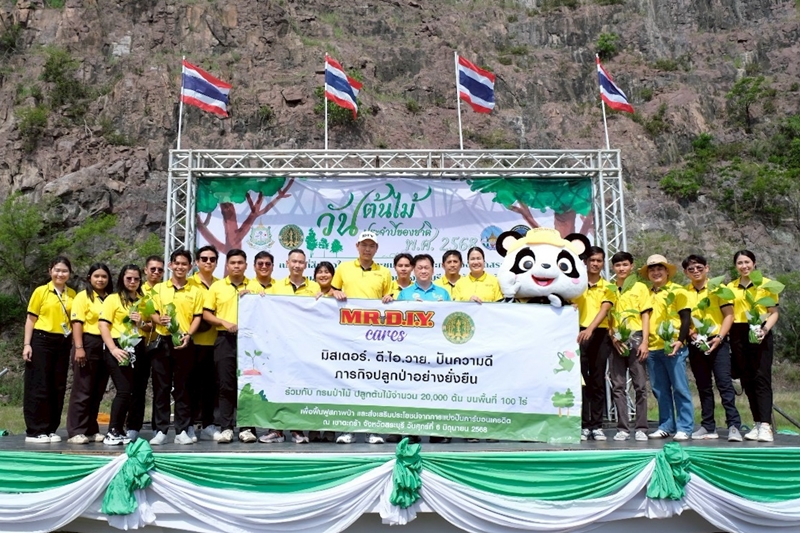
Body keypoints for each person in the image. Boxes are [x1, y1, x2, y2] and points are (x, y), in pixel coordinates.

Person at [331, 230, 393, 444]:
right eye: (364, 244)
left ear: (376, 249)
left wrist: (389, 297)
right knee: (347, 380)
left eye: (371, 245)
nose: (367, 249)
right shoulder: (343, 268)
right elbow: (332, 290)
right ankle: (346, 429)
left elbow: (391, 295)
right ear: (357, 246)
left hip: (374, 336)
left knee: (373, 382)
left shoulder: (384, 272)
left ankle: (372, 430)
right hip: (348, 335)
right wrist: (333, 292)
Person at [259, 249, 322, 445]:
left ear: (306, 265)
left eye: (301, 262)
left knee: (299, 387)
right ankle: (276, 430)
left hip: (304, 347)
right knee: (277, 387)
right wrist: (253, 298)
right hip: (280, 347)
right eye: (293, 261)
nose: (297, 265)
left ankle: (297, 429)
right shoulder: (275, 287)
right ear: (287, 263)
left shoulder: (315, 289)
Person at [391, 253, 451, 444]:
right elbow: (397, 320)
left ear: (433, 270)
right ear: (413, 270)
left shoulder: (443, 294)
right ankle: (411, 430)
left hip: (437, 351)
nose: (423, 271)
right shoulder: (405, 293)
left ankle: (438, 430)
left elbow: (452, 318)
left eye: (427, 267)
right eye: (419, 268)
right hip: (412, 350)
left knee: (437, 389)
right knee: (411, 390)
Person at [682, 255, 741, 442]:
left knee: (724, 384)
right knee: (703, 386)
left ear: (707, 268)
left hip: (718, 342)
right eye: (691, 269)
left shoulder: (718, 289)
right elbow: (682, 319)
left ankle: (733, 425)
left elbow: (729, 315)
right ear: (685, 272)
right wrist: (691, 333)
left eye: (699, 267)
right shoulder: (684, 293)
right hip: (696, 342)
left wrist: (719, 337)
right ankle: (708, 425)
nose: (696, 271)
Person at [150, 249, 203, 445]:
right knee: (161, 387)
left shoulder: (195, 291)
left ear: (190, 267)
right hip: (163, 342)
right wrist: (159, 319)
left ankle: (182, 430)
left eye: (184, 264)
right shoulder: (160, 288)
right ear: (170, 265)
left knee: (183, 388)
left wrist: (188, 335)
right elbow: (152, 313)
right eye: (177, 263)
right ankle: (160, 430)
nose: (180, 267)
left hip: (184, 342)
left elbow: (197, 316)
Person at [22, 256, 76, 444]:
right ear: (50, 271)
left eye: (64, 271)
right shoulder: (41, 292)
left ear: (69, 274)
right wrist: (27, 344)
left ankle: (51, 428)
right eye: (57, 270)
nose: (60, 274)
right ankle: (35, 430)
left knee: (58, 386)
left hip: (63, 342)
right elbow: (30, 319)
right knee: (39, 385)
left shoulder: (73, 295)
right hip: (41, 340)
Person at [727, 250, 780, 442]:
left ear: (754, 263)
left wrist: (764, 329)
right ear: (736, 267)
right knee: (747, 379)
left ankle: (766, 425)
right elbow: (728, 313)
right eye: (740, 263)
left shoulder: (766, 284)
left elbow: (773, 312)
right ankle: (757, 424)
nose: (744, 266)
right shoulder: (730, 287)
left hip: (760, 331)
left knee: (761, 378)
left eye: (747, 262)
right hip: (738, 333)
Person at [641, 255, 693, 441]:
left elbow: (686, 317)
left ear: (667, 272)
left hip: (673, 346)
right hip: (653, 347)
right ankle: (666, 425)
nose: (656, 272)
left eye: (659, 269)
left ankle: (685, 426)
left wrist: (680, 340)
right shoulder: (646, 293)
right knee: (660, 389)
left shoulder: (678, 291)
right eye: (652, 269)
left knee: (680, 387)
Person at [203, 249, 252, 444]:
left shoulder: (255, 285)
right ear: (227, 265)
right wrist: (224, 323)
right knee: (225, 385)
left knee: (248, 385)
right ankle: (226, 427)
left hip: (249, 341)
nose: (237, 266)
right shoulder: (217, 287)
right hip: (224, 339)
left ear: (246, 265)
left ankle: (247, 427)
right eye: (233, 263)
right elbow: (207, 314)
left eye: (240, 262)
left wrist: (255, 298)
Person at [98, 265, 147, 445]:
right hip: (118, 346)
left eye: (136, 279)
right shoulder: (113, 299)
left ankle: (120, 430)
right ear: (122, 279)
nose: (133, 282)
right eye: (129, 279)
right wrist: (113, 349)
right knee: (124, 389)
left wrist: (141, 322)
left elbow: (148, 327)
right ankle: (112, 430)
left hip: (138, 346)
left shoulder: (142, 299)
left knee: (132, 391)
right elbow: (103, 325)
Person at [66, 263, 113, 444]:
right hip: (87, 343)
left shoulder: (110, 297)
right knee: (83, 389)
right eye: (96, 276)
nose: (100, 279)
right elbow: (77, 322)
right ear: (89, 278)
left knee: (97, 391)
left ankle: (91, 429)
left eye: (104, 276)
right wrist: (79, 347)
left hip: (106, 345)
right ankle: (76, 430)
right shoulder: (83, 296)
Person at [607, 252, 651, 442]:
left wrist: (645, 341)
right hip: (616, 339)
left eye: (625, 265)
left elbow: (646, 315)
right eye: (618, 265)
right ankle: (623, 428)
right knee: (617, 385)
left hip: (636, 336)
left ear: (631, 266)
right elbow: (606, 316)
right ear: (613, 268)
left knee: (640, 385)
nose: (622, 269)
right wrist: (613, 337)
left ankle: (641, 427)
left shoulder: (640, 287)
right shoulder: (609, 288)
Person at [574, 246, 614, 442]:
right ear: (586, 262)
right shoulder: (576, 285)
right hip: (577, 333)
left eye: (599, 260)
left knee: (597, 380)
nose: (595, 264)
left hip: (598, 334)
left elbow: (605, 309)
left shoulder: (608, 286)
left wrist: (590, 329)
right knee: (580, 381)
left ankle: (597, 425)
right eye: (592, 260)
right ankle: (583, 424)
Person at [125, 255, 164, 442]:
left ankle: (159, 428)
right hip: (139, 344)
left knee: (160, 388)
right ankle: (133, 426)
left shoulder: (166, 290)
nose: (156, 272)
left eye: (160, 270)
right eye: (153, 269)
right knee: (137, 387)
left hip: (159, 344)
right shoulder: (139, 292)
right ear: (145, 270)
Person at [187, 245, 220, 441]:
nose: (208, 262)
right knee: (190, 386)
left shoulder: (221, 284)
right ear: (197, 262)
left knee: (211, 387)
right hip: (192, 343)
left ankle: (208, 424)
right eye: (204, 258)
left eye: (212, 259)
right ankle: (189, 425)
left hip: (215, 343)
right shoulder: (189, 284)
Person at [309, 261, 336, 443]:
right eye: (320, 272)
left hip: (334, 348)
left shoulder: (340, 294)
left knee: (332, 387)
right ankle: (312, 428)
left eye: (327, 272)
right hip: (311, 346)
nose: (323, 275)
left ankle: (330, 429)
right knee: (312, 387)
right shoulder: (308, 292)